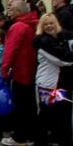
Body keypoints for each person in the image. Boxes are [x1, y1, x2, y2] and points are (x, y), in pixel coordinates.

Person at [1, 0, 38, 146]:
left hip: (20, 71)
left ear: (17, 11)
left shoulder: (17, 27)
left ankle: (19, 137)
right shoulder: (34, 24)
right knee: (30, 106)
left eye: (10, 9)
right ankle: (31, 136)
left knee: (20, 106)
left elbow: (10, 50)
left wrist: (4, 69)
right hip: (33, 70)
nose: (8, 12)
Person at [33, 13, 73, 146]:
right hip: (47, 85)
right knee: (46, 115)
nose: (49, 26)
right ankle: (40, 142)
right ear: (41, 27)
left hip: (61, 83)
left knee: (63, 115)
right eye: (46, 24)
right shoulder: (42, 41)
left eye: (51, 23)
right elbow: (62, 60)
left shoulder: (63, 38)